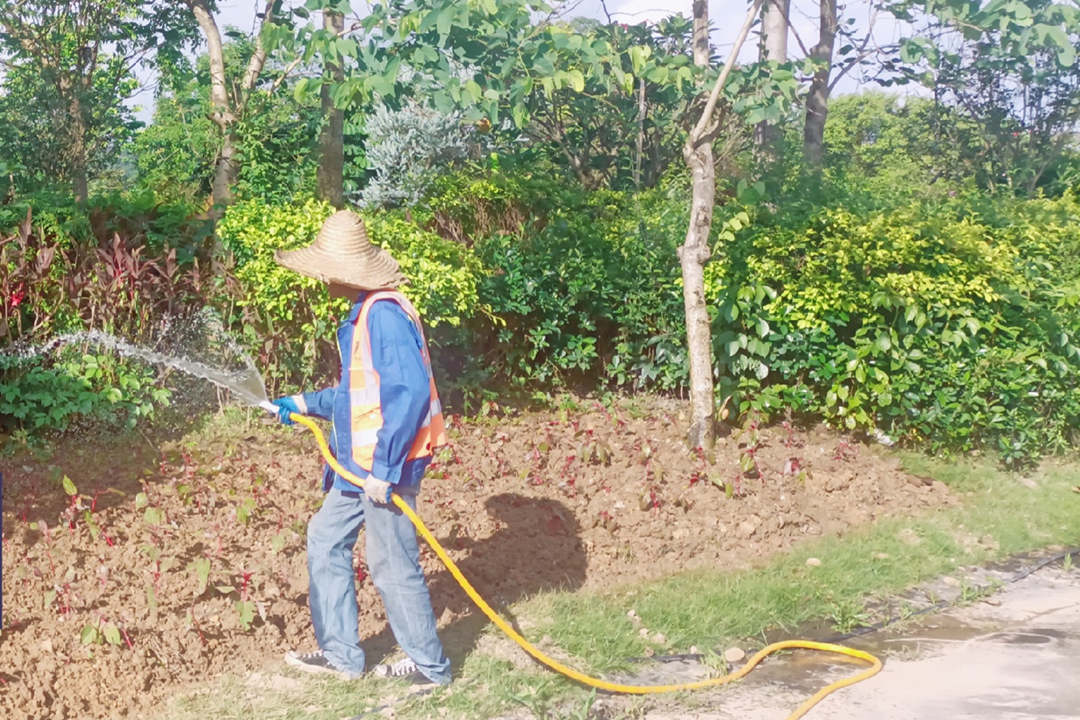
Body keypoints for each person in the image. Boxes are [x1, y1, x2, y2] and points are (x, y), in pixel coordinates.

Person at [271, 209, 451, 688]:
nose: (322, 277)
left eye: (325, 268)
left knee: (391, 564)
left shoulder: (384, 317)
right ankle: (342, 656)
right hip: (357, 467)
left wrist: (385, 471)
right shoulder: (364, 315)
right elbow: (356, 398)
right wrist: (302, 403)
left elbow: (409, 393)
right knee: (325, 539)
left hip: (381, 470)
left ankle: (430, 670)